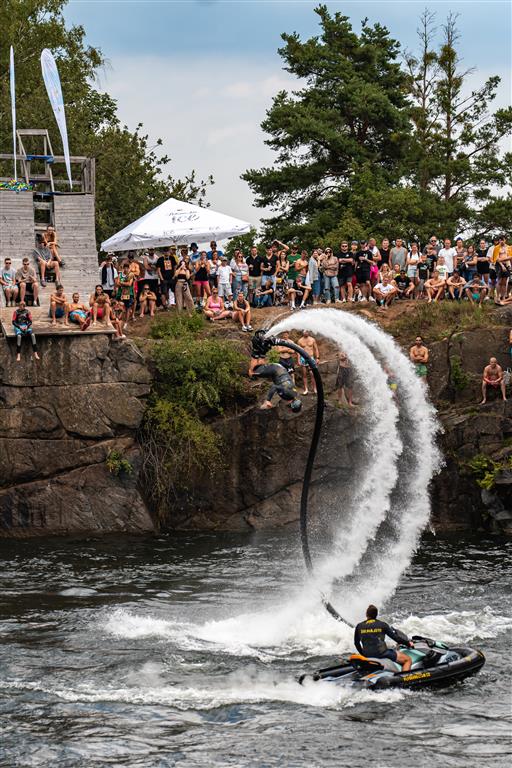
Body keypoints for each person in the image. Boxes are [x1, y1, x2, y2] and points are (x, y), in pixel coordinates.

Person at [354, 605, 412, 671]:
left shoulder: (359, 626)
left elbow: (356, 643)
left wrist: (363, 654)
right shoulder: (382, 625)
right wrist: (408, 643)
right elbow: (397, 639)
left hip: (367, 655)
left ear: (366, 614)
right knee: (408, 660)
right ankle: (404, 678)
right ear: (376, 615)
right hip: (382, 654)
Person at [298, 330, 320, 395]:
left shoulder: (312, 339)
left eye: (307, 331)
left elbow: (316, 349)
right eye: (305, 332)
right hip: (303, 358)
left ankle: (315, 389)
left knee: (312, 374)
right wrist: (298, 360)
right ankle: (306, 389)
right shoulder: (300, 341)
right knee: (304, 374)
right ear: (303, 332)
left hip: (311, 357)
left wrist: (317, 358)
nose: (306, 333)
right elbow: (298, 351)